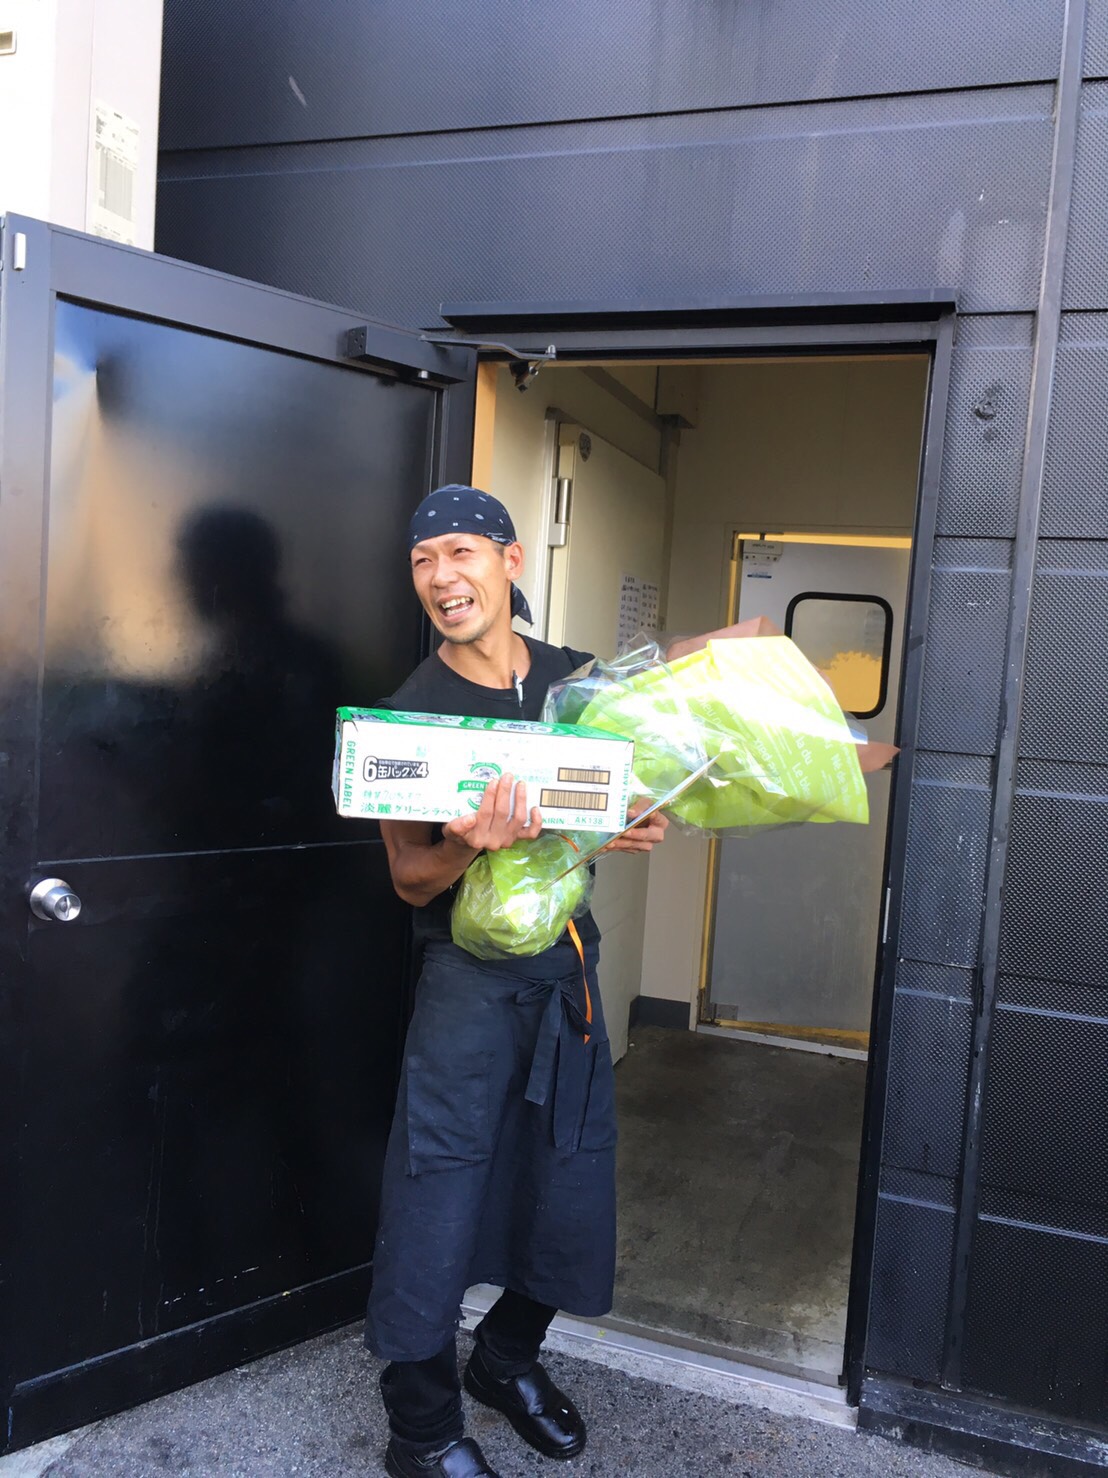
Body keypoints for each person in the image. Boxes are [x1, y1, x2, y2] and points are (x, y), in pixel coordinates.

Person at [366, 486, 668, 1478]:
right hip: (464, 980)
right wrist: (466, 843)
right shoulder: (409, 715)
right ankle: (421, 1429)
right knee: (437, 1187)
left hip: (566, 966)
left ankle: (505, 1355)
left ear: (509, 561)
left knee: (570, 1171)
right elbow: (410, 878)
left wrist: (629, 821)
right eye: (423, 560)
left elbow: (611, 806)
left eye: (460, 551)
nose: (441, 576)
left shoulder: (581, 685)